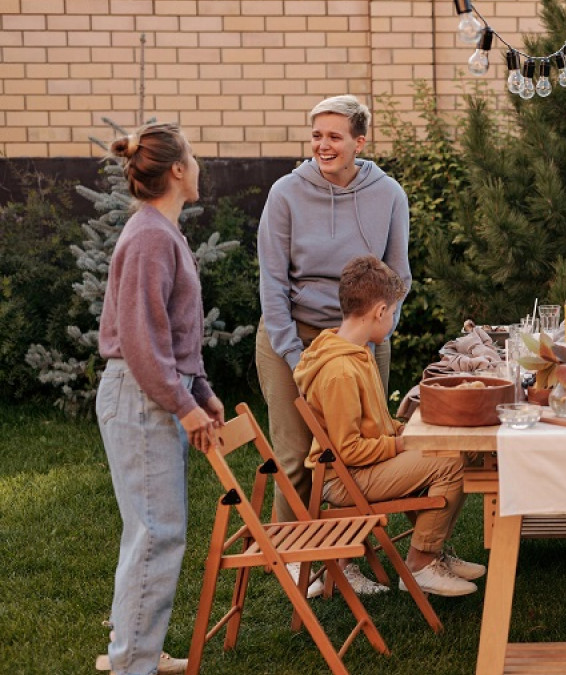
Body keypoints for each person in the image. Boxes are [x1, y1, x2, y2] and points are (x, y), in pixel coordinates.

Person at [95, 123, 223, 675]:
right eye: (192, 157)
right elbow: (143, 342)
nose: (197, 165)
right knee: (156, 534)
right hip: (140, 394)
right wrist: (186, 407)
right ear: (176, 169)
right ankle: (131, 665)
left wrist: (201, 391)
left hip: (151, 391)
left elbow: (171, 334)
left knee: (150, 531)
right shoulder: (149, 235)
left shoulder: (160, 230)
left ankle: (137, 654)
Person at [256, 95, 412, 541]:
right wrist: (292, 354)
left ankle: (351, 552)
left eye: (334, 137)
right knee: (295, 453)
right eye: (317, 136)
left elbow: (398, 275)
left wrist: (379, 330)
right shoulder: (285, 193)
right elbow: (272, 280)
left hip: (361, 337)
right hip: (293, 333)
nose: (323, 146)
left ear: (359, 142)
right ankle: (292, 553)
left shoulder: (388, 195)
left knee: (364, 448)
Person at [294, 256, 486, 597]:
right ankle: (421, 564)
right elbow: (348, 450)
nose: (394, 320)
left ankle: (434, 552)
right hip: (343, 479)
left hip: (364, 465)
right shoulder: (340, 371)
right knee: (451, 462)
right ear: (380, 311)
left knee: (461, 448)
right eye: (394, 312)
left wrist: (405, 430)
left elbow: (374, 424)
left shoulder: (358, 352)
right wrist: (402, 445)